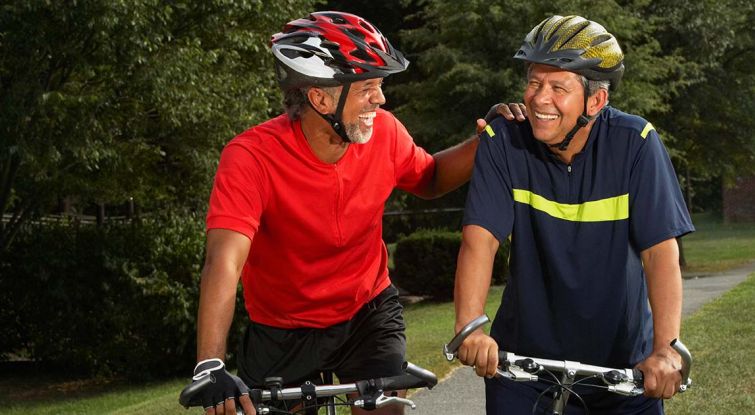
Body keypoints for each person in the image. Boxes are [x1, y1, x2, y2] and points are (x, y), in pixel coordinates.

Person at [183, 11, 524, 415]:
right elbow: (224, 260)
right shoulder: (250, 157)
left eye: (379, 86)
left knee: (383, 410)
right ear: (320, 97)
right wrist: (210, 363)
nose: (379, 99)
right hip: (282, 328)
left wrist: (485, 141)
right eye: (367, 88)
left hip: (368, 314)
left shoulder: (384, 132)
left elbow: (429, 179)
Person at [454, 15, 695, 415]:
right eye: (533, 83)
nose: (538, 98)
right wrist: (471, 325)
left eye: (557, 88)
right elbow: (480, 240)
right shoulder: (502, 142)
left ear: (595, 101)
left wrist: (666, 351)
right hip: (524, 370)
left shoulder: (636, 144)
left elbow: (660, 254)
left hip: (624, 368)